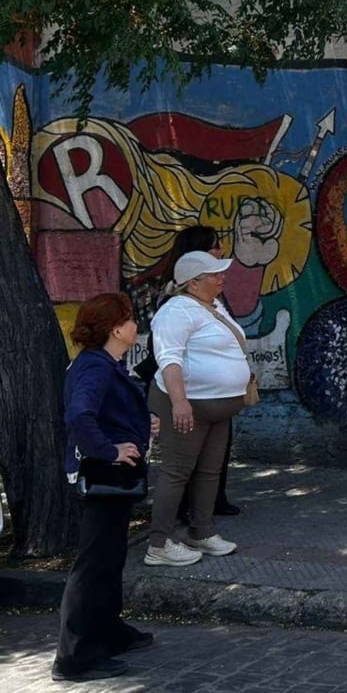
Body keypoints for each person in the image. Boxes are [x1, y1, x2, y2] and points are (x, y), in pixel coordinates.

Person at [55, 292, 153, 682]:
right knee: (94, 563)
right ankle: (74, 656)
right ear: (116, 329)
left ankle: (109, 631)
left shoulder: (104, 363)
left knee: (110, 557)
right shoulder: (95, 367)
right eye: (130, 319)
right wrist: (109, 450)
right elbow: (80, 415)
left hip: (110, 475)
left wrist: (138, 427)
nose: (135, 325)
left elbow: (107, 412)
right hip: (101, 474)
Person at [144, 250, 249, 566]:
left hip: (216, 409)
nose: (222, 278)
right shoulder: (176, 311)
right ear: (192, 283)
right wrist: (179, 402)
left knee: (209, 471)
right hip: (186, 405)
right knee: (176, 472)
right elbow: (169, 360)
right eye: (215, 274)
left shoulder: (213, 306)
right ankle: (158, 544)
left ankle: (201, 531)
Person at [135, 225, 241, 517]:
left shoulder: (212, 296)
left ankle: (206, 513)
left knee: (212, 457)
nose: (220, 251)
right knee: (184, 458)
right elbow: (169, 354)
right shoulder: (176, 302)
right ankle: (171, 524)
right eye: (214, 246)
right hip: (191, 391)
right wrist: (180, 400)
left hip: (214, 393)